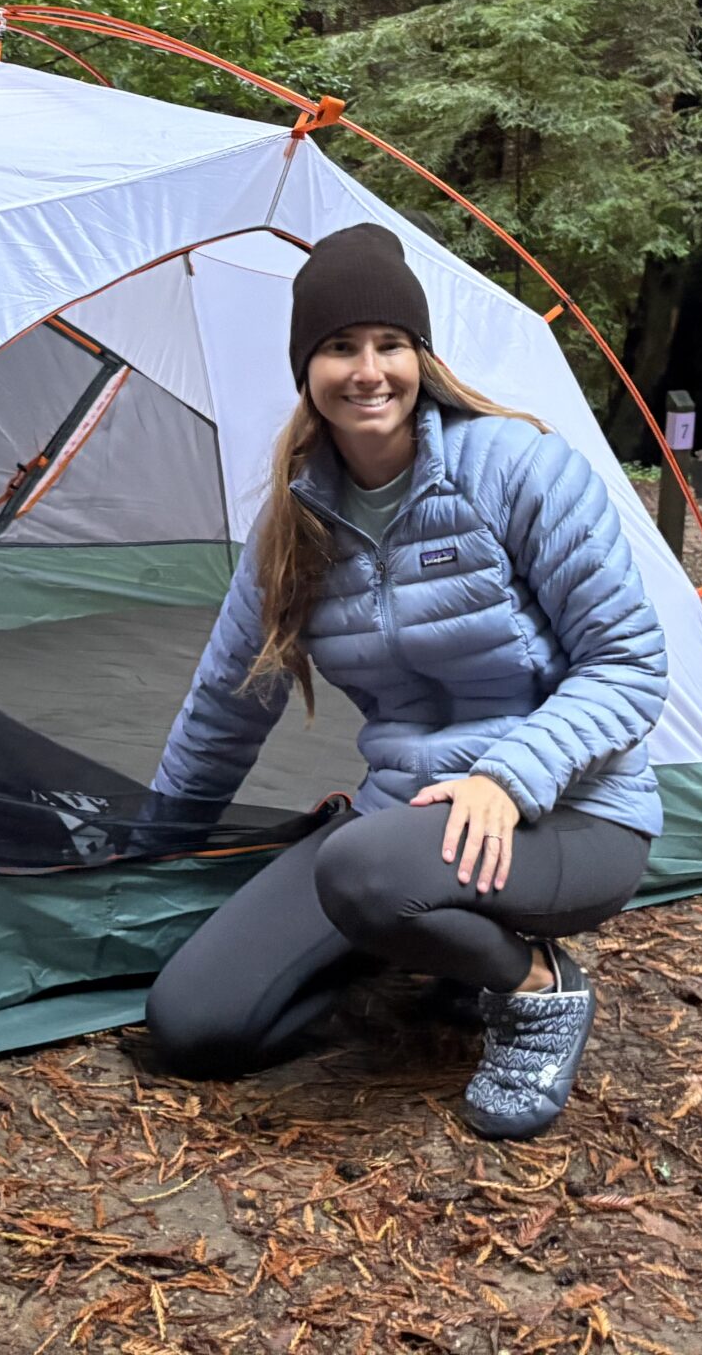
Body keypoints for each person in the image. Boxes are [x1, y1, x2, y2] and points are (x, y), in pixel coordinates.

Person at [142, 223, 666, 1139]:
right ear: (307, 369)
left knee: (362, 865)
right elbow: (228, 704)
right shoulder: (294, 523)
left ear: (421, 355)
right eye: (339, 347)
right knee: (196, 1023)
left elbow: (628, 665)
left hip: (574, 812)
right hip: (406, 825)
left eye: (390, 344)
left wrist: (510, 778)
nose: (367, 370)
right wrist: (147, 842)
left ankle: (539, 989)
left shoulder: (517, 470)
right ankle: (430, 948)